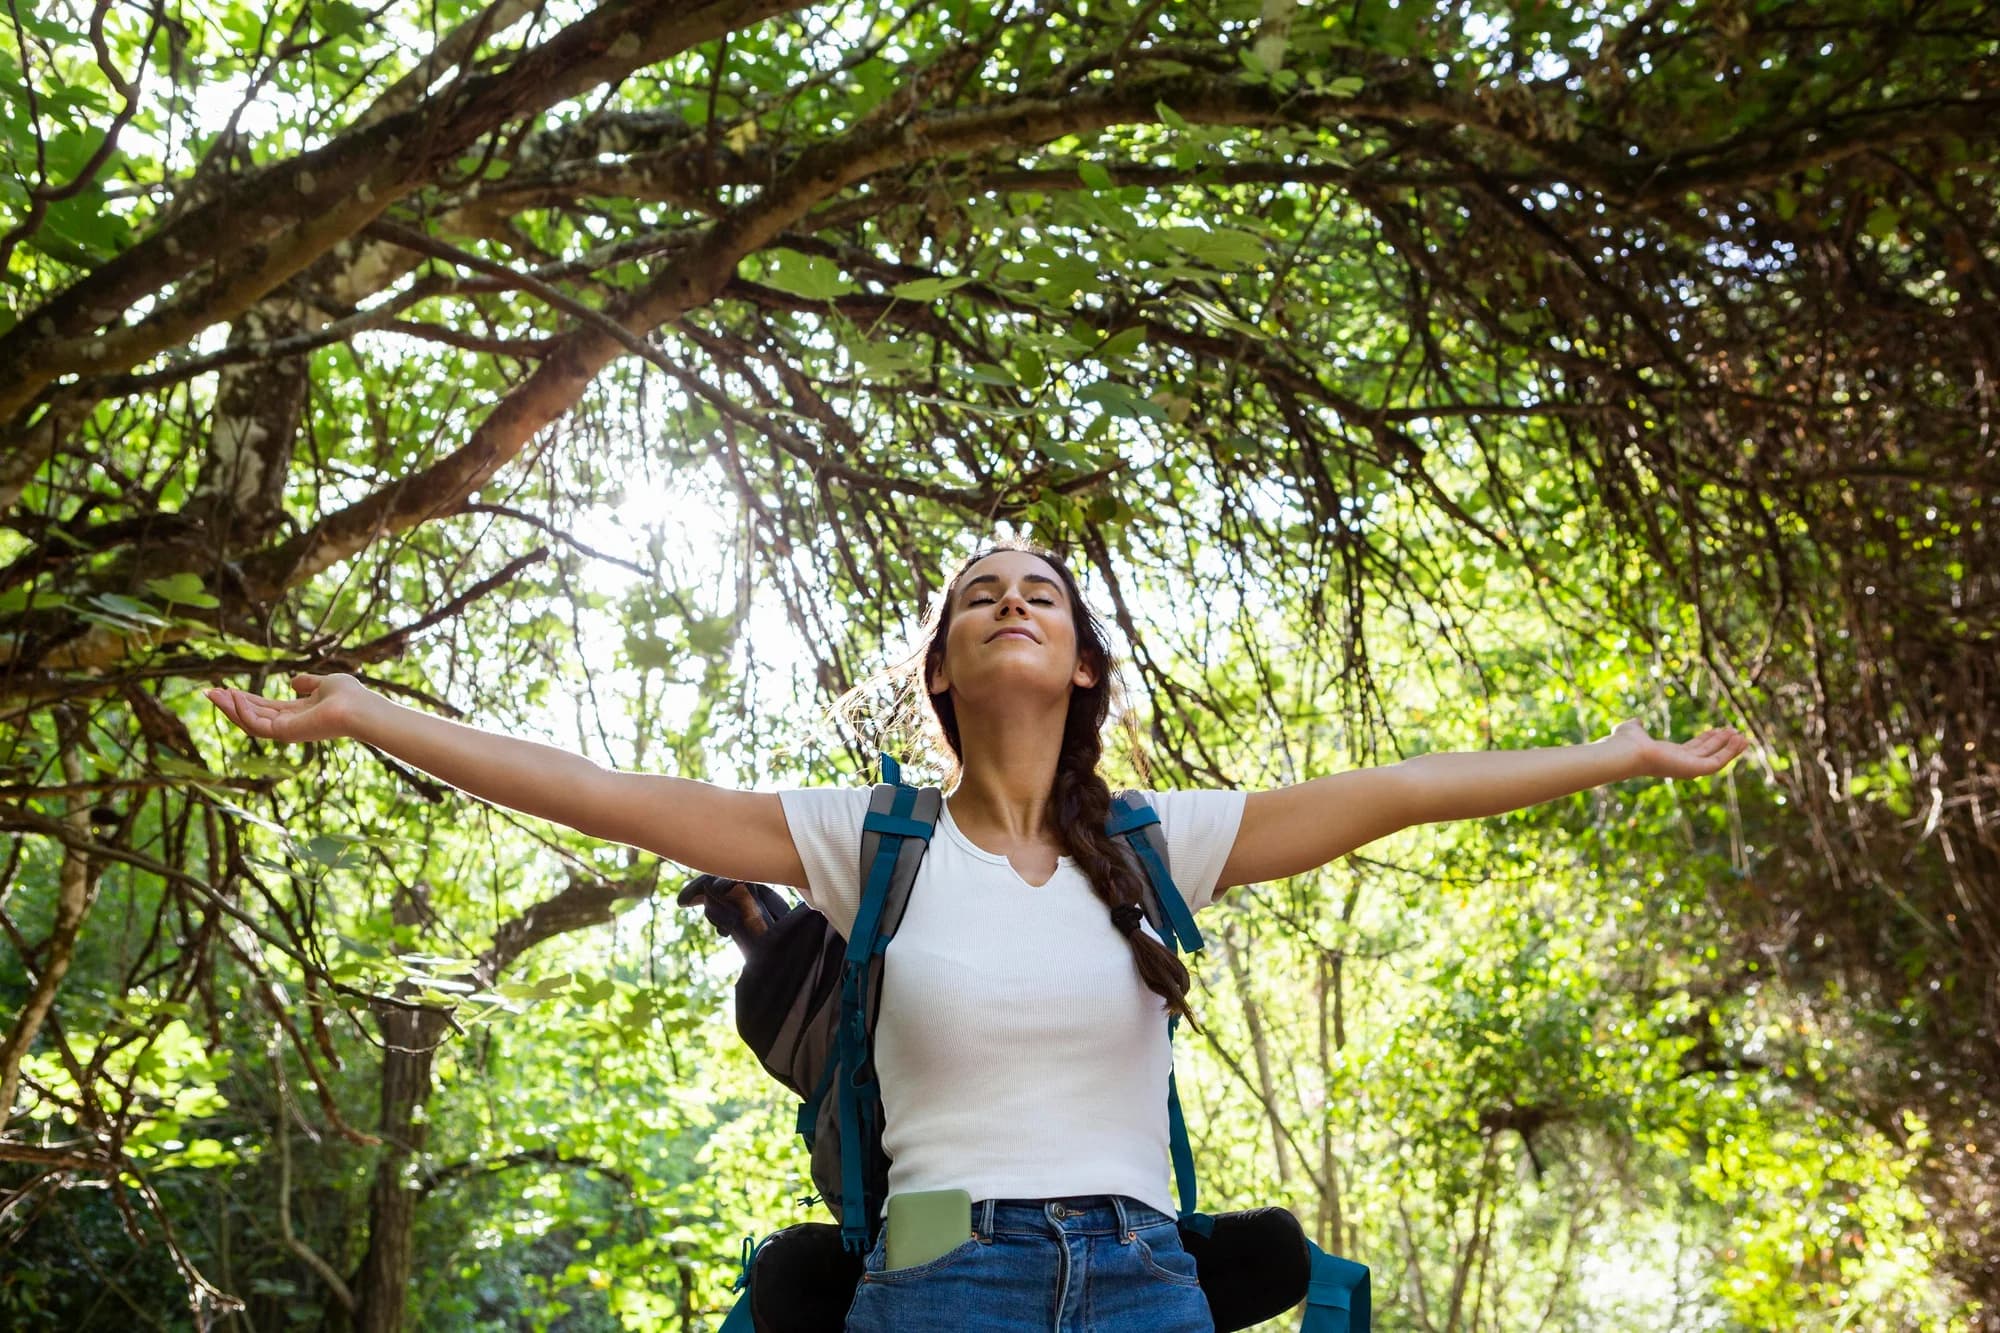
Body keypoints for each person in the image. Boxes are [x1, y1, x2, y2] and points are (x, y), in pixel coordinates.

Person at [205, 540, 1749, 1332]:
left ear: (1082, 665)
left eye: (1044, 597)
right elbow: (609, 795)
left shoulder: (1161, 846)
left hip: (1144, 1263)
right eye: (979, 597)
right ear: (945, 668)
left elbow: (1405, 789)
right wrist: (364, 715)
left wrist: (1618, 754)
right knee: (924, 1251)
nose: (1012, 604)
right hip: (947, 1254)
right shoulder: (861, 840)